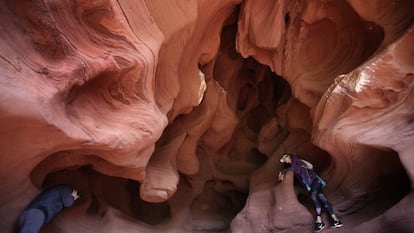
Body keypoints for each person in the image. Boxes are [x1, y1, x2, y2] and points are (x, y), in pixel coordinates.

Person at [278, 153, 343, 232]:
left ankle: (319, 221)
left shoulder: (296, 160)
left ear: (288, 157)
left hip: (315, 180)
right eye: (284, 161)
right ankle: (336, 220)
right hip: (312, 184)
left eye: (285, 159)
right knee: (322, 199)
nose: (285, 161)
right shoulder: (293, 164)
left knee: (313, 196)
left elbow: (294, 168)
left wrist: (282, 172)